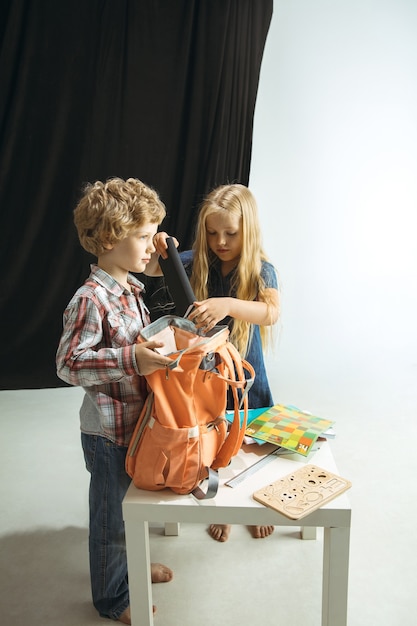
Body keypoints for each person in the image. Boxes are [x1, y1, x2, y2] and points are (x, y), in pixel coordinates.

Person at [56, 177, 175, 624]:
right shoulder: (91, 300)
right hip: (108, 434)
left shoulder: (133, 290)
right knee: (111, 521)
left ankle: (132, 569)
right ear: (110, 237)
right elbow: (69, 364)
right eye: (143, 237)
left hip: (137, 425)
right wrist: (131, 359)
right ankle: (113, 598)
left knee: (135, 509)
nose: (151, 247)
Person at [152, 183, 280, 542]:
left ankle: (254, 506)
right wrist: (162, 249)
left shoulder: (260, 270)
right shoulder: (198, 261)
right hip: (206, 381)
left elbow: (271, 312)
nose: (220, 241)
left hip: (244, 379)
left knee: (250, 448)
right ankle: (222, 505)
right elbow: (150, 268)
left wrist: (227, 304)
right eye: (212, 232)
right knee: (214, 446)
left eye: (231, 234)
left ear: (248, 231)